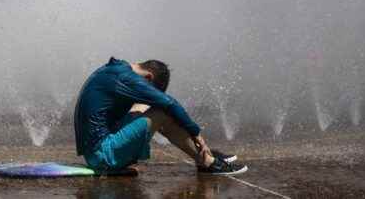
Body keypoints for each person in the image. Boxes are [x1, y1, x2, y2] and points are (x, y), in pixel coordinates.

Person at [74, 57, 247, 175]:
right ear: (149, 77)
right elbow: (168, 103)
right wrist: (196, 133)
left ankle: (200, 154)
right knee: (163, 110)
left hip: (99, 150)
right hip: (102, 156)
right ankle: (207, 161)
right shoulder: (125, 77)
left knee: (150, 105)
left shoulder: (117, 70)